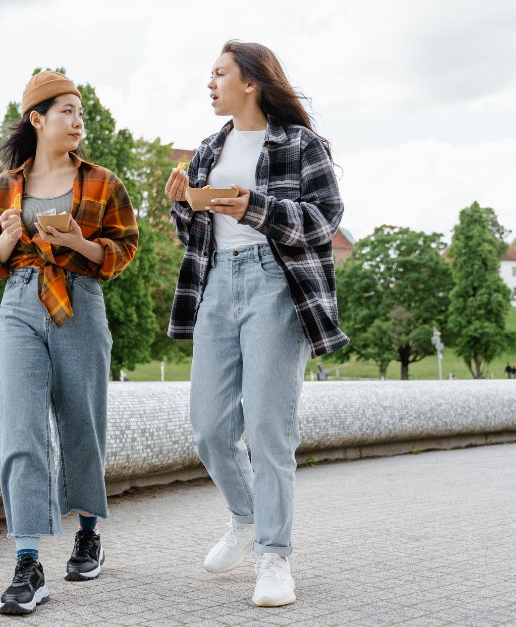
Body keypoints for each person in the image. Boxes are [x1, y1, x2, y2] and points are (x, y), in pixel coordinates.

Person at [165, 41, 347, 607]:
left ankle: (274, 556)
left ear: (251, 81)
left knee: (269, 428)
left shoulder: (300, 143)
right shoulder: (207, 149)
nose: (210, 83)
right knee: (208, 427)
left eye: (219, 73)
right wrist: (183, 204)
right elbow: (193, 232)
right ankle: (245, 517)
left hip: (275, 283)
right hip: (217, 284)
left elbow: (325, 219)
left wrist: (252, 207)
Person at [0, 71, 139, 615]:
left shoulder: (103, 182)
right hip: (19, 303)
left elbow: (124, 249)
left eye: (80, 110)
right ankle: (27, 563)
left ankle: (88, 532)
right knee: (20, 430)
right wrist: (5, 241)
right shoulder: (1, 188)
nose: (77, 119)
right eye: (66, 110)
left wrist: (79, 243)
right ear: (36, 119)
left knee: (82, 423)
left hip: (79, 298)